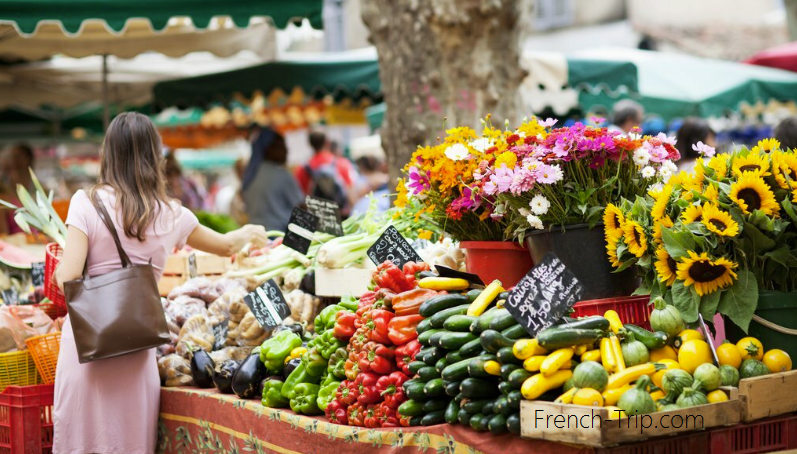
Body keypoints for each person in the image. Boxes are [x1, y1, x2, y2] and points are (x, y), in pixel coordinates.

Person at [53, 112, 268, 454]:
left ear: (108, 154)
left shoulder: (85, 203)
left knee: (82, 441)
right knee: (128, 442)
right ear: (156, 157)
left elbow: (67, 277)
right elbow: (227, 245)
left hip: (87, 346)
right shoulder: (172, 213)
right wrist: (250, 233)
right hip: (135, 347)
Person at [241, 128, 305, 231]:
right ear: (268, 149)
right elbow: (301, 206)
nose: (286, 150)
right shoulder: (282, 175)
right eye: (281, 146)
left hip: (256, 235)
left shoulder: (250, 175)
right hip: (279, 236)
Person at [294, 131, 355, 214]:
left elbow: (300, 198)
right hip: (340, 216)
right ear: (327, 143)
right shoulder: (341, 164)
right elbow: (350, 192)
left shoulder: (302, 169)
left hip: (315, 218)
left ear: (310, 144)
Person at [0, 144, 36, 235]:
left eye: (17, 156)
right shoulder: (6, 187)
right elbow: (3, 235)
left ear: (28, 158)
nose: (13, 160)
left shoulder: (36, 184)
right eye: (12, 157)